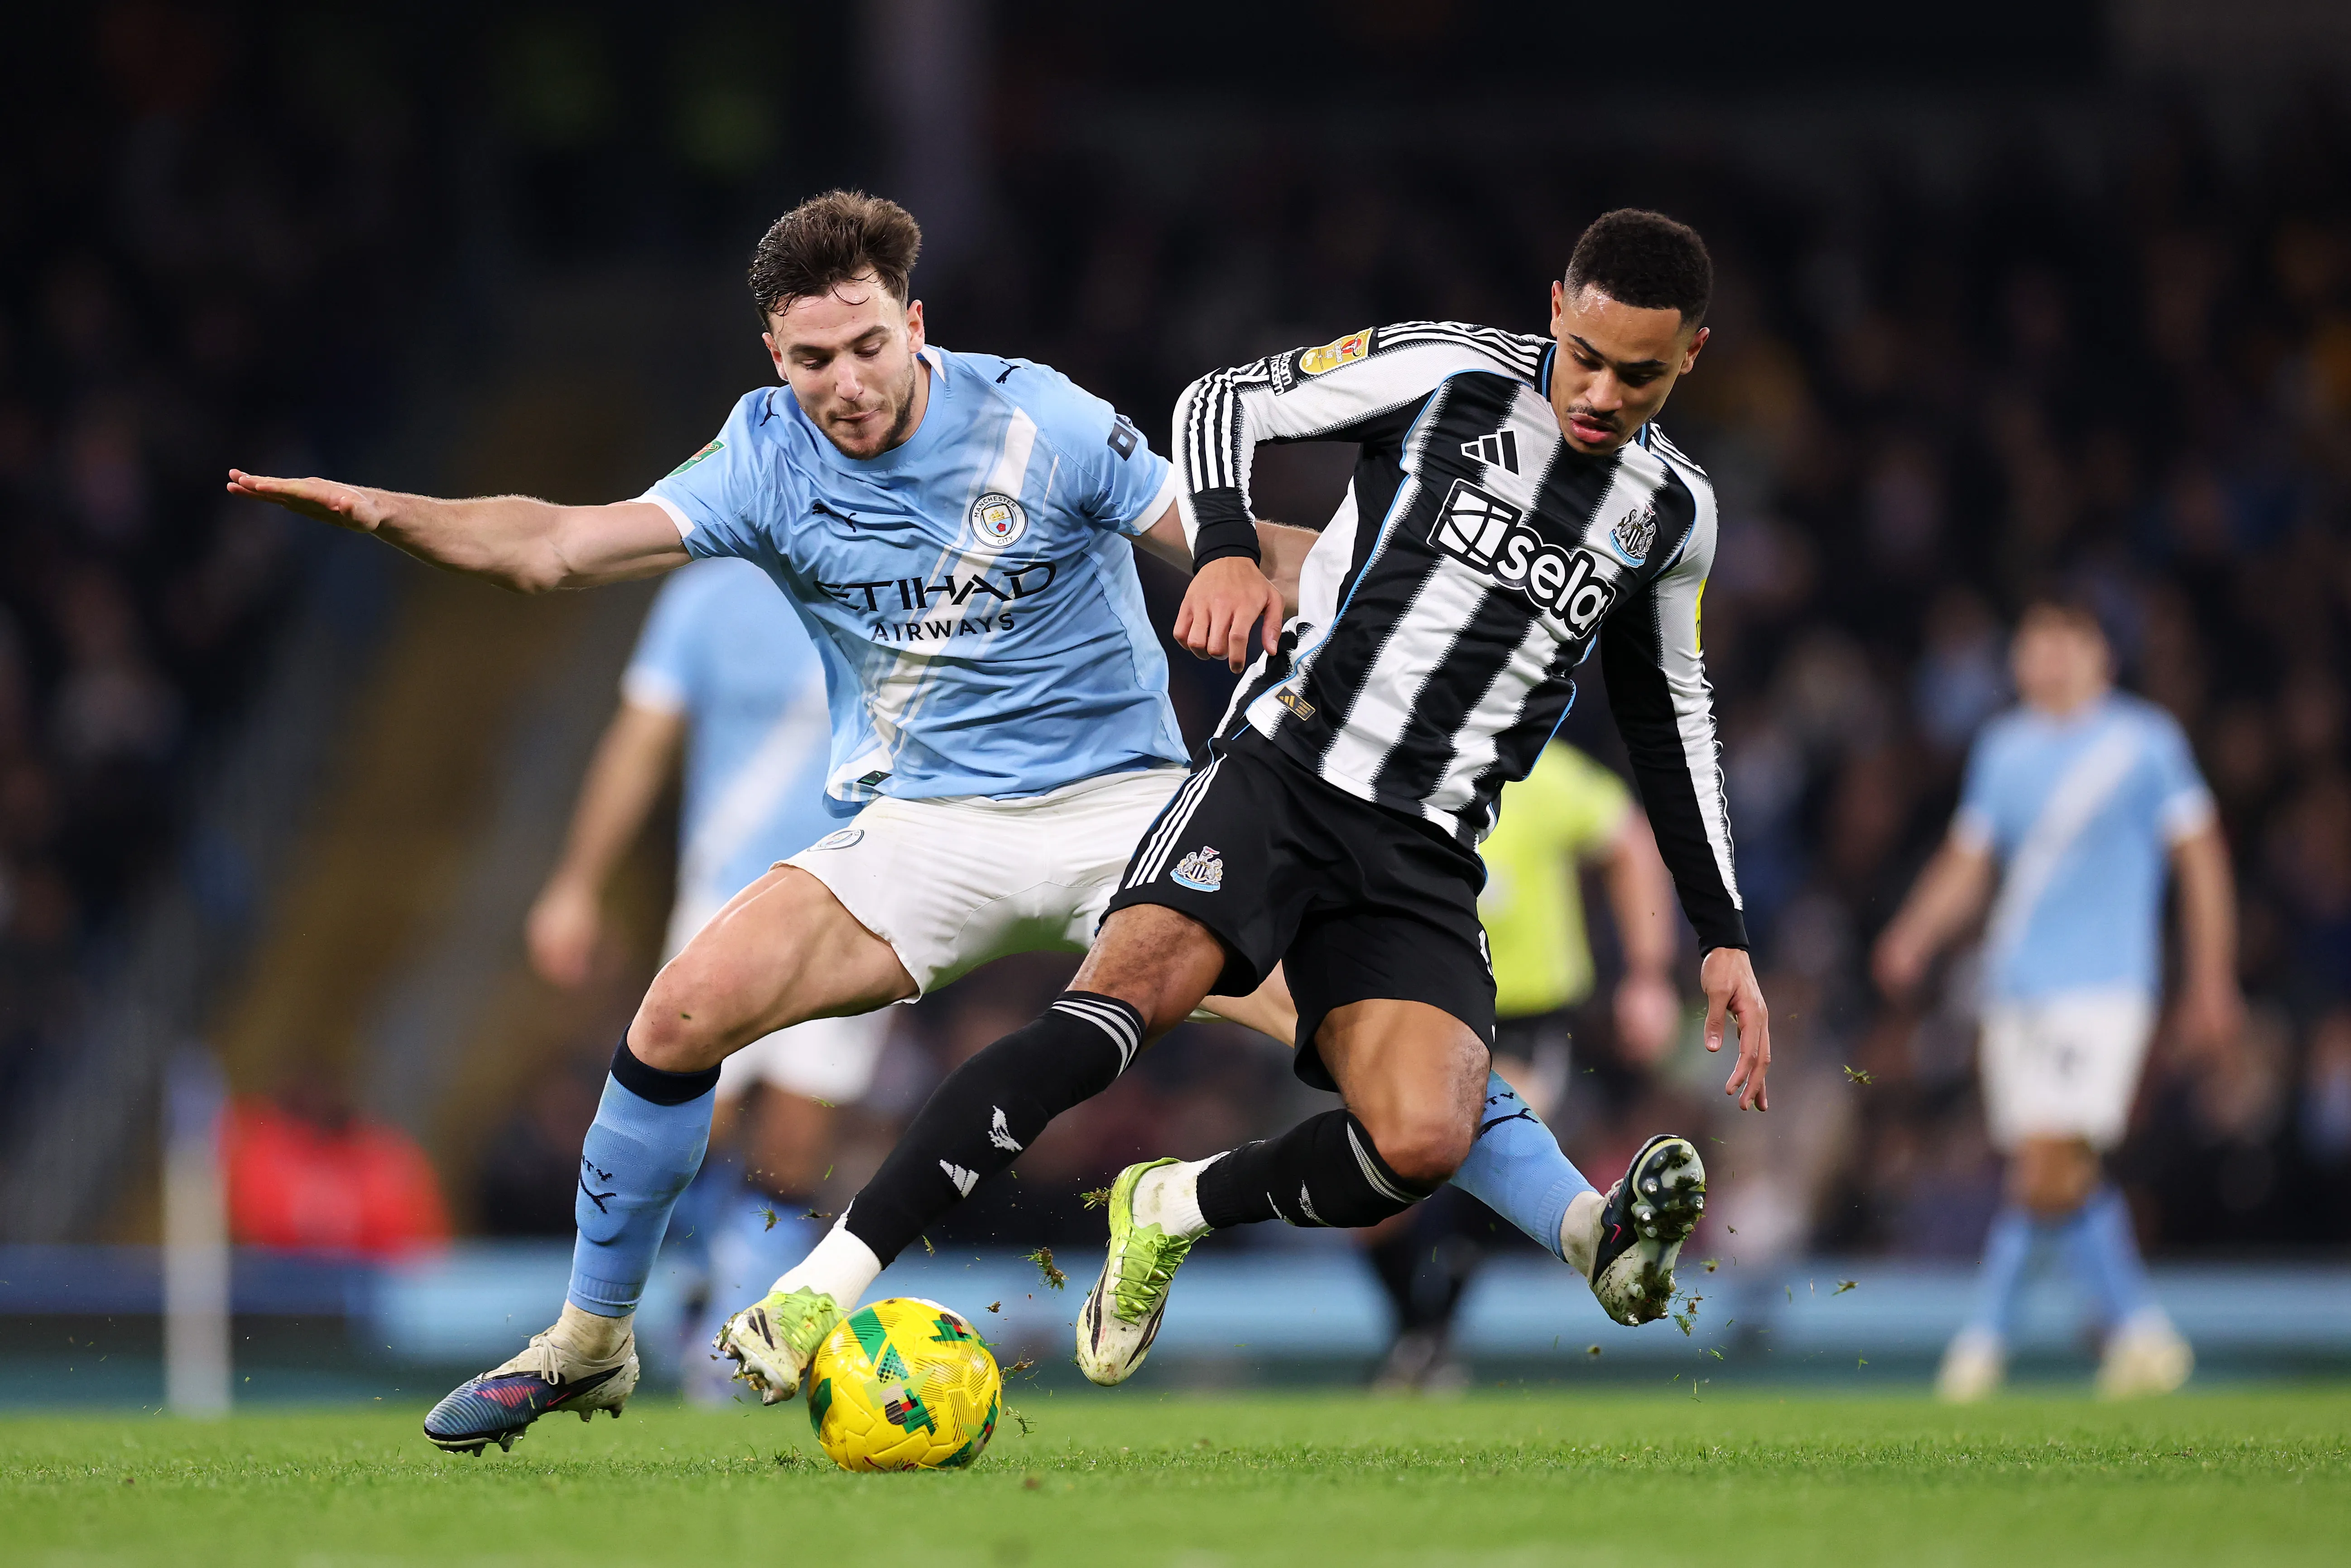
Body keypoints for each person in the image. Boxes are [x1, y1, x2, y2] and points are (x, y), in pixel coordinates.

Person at [229, 191, 1308, 1454]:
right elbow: (558, 547)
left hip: (1119, 803)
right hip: (924, 825)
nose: (844, 383)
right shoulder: (760, 459)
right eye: (811, 359)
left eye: (866, 347)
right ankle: (590, 1338)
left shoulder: (1038, 415)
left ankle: (1584, 1232)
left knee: (1369, 1031)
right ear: (773, 359)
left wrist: (1431, 565)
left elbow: (1234, 548)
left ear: (915, 324)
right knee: (678, 1009)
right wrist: (387, 511)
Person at [702, 207, 1774, 1402]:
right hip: (1281, 771)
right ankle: (818, 1283)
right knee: (1112, 1010)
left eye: (1638, 374)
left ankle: (1171, 1203)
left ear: (1691, 356)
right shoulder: (1448, 372)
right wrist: (1219, 542)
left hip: (1422, 846)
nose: (1598, 391)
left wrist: (1721, 931)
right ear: (1554, 311)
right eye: (1583, 354)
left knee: (1420, 1138)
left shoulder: (1671, 515)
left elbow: (1669, 714)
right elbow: (1224, 401)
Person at [1874, 598, 2242, 1400]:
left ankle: (1981, 1344)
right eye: (2032, 645)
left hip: (2106, 985)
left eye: (2063, 643)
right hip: (2015, 986)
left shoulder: (2143, 743)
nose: (2046, 659)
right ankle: (2139, 1332)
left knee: (2048, 1154)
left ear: (2100, 654)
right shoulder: (2003, 749)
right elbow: (1969, 861)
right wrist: (1914, 932)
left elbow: (2201, 857)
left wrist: (2211, 976)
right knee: (2054, 1169)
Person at [523, 554, 870, 1402]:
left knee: (795, 1150)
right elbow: (641, 740)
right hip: (726, 896)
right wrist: (577, 882)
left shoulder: (892, 579)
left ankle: (741, 1335)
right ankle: (660, 1313)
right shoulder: (706, 596)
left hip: (858, 894)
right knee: (692, 1129)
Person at [1366, 740, 1680, 1392]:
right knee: (1371, 1199)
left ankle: (1427, 1343)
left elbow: (1629, 841)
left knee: (1473, 1150)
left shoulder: (1538, 769)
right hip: (1416, 1013)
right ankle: (1421, 1338)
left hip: (1524, 1019)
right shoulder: (1388, 764)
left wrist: (1648, 974)